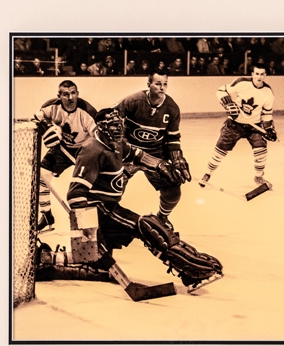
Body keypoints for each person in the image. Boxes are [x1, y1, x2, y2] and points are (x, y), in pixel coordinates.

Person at [65, 108, 222, 290]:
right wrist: (88, 233)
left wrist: (159, 164)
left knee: (145, 231)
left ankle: (186, 272)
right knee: (147, 225)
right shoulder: (92, 150)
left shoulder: (116, 144)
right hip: (97, 208)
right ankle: (191, 271)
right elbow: (75, 194)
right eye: (112, 125)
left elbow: (136, 155)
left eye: (119, 125)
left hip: (110, 205)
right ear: (100, 127)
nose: (118, 129)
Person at [114, 70, 191, 229]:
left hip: (155, 156)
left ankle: (162, 218)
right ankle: (110, 218)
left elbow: (173, 138)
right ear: (149, 84)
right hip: (130, 153)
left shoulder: (172, 108)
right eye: (158, 84)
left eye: (165, 84)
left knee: (173, 189)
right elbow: (110, 118)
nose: (162, 88)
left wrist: (177, 159)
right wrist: (120, 144)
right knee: (112, 185)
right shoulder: (133, 101)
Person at [199, 63, 277, 189]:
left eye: (262, 74)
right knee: (220, 151)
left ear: (265, 75)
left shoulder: (268, 93)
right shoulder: (241, 83)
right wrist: (228, 103)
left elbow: (267, 113)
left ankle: (258, 176)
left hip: (254, 127)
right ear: (252, 74)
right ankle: (207, 173)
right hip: (234, 124)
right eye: (257, 73)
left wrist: (269, 129)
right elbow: (221, 90)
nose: (259, 76)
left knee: (261, 152)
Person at [34, 80, 97, 231]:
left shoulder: (87, 112)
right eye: (66, 94)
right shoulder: (52, 107)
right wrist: (45, 126)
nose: (70, 98)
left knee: (90, 187)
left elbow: (97, 137)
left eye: (73, 93)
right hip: (63, 150)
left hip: (84, 151)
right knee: (41, 176)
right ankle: (47, 215)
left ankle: (93, 224)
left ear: (77, 94)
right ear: (59, 96)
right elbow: (39, 116)